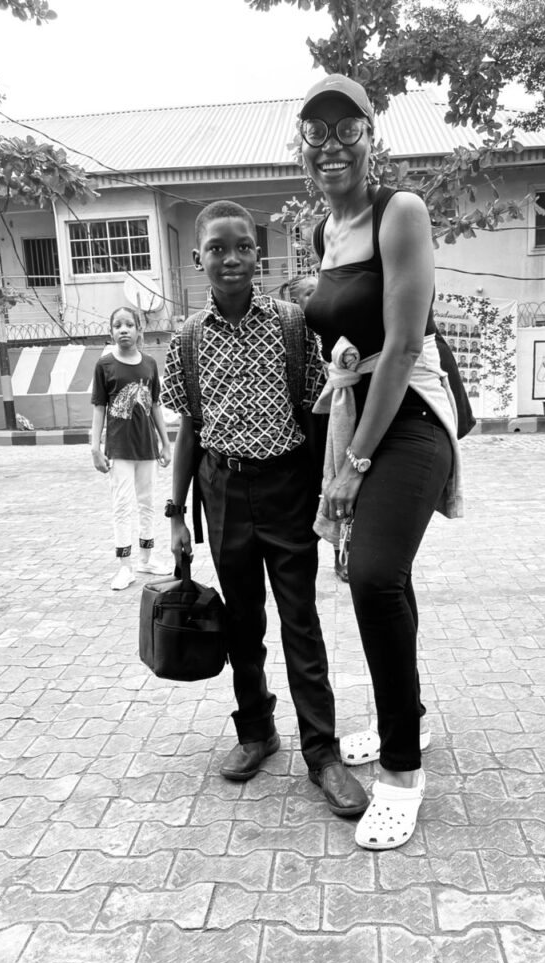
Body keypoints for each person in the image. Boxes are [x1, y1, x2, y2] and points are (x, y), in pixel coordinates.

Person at [299, 74, 466, 849]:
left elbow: (399, 347)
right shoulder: (322, 231)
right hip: (358, 416)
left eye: (347, 129)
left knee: (371, 577)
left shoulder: (401, 212)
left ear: (371, 137)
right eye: (317, 132)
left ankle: (402, 771)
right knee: (385, 578)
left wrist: (352, 467)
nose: (331, 145)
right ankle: (412, 721)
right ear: (303, 146)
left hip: (411, 419)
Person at [161, 200, 368, 818]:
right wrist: (176, 513)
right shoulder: (187, 338)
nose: (231, 258)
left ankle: (322, 753)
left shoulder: (293, 325)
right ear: (198, 258)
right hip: (222, 492)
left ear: (259, 254)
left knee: (300, 620)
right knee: (242, 623)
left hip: (287, 489)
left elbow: (316, 414)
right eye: (217, 248)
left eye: (243, 246)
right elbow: (189, 431)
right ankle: (256, 731)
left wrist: (331, 496)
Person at [91, 306, 172, 590]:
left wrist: (165, 443)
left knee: (147, 504)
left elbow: (154, 405)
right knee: (122, 506)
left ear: (139, 329)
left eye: (129, 324)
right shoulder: (105, 365)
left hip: (147, 447)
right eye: (117, 325)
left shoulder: (149, 364)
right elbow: (99, 407)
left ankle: (146, 559)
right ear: (111, 331)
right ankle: (124, 566)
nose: (123, 330)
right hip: (119, 448)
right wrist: (95, 447)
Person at [282, 274, 349, 583]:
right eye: (309, 294)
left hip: (335, 420)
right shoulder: (290, 335)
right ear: (294, 303)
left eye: (320, 291)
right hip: (305, 424)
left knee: (339, 486)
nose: (318, 298)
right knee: (310, 491)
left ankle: (341, 553)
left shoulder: (339, 329)